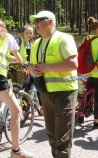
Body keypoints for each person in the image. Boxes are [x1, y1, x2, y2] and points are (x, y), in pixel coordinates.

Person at [27, 11, 78, 158]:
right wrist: (33, 69)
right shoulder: (36, 43)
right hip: (44, 92)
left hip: (64, 93)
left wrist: (46, 68)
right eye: (34, 21)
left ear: (50, 22)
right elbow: (30, 66)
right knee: (51, 134)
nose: (35, 24)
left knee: (62, 137)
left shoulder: (64, 38)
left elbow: (73, 64)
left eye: (39, 20)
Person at [0, 19, 34, 158]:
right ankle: (16, 150)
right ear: (3, 27)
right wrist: (21, 61)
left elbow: (0, 56)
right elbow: (17, 58)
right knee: (16, 112)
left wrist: (8, 58)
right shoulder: (7, 37)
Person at [16, 25, 43, 116]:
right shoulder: (19, 42)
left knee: (39, 84)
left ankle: (41, 107)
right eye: (27, 33)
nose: (29, 34)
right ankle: (24, 110)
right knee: (25, 89)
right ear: (22, 33)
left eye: (31, 33)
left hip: (29, 69)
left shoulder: (32, 44)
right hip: (19, 70)